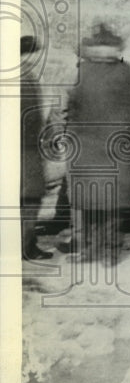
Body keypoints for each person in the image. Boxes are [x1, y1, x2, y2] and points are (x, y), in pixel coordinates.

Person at [63, 24, 130, 265]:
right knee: (105, 203)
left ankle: (99, 251)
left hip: (94, 148)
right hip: (103, 148)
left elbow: (73, 106)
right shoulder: (123, 72)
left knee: (98, 204)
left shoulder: (85, 72)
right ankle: (104, 252)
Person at [20, 37, 52, 261]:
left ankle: (27, 243)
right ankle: (26, 246)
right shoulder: (23, 79)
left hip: (26, 148)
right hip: (25, 149)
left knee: (27, 198)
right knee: (31, 198)